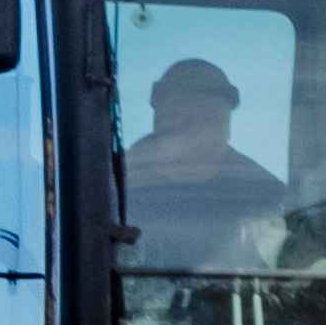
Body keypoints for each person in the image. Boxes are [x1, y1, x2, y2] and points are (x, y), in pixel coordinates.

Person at [118, 55, 286, 270]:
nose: (202, 134)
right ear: (160, 120)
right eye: (186, 120)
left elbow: (309, 260)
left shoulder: (265, 194)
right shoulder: (110, 184)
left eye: (213, 120)